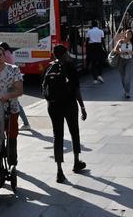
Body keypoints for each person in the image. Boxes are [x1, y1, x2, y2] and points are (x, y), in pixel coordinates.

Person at [42, 44, 87, 183]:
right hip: (69, 104)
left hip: (53, 106)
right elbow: (77, 89)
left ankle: (59, 171)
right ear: (65, 54)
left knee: (58, 135)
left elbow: (44, 88)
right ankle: (76, 162)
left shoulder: (49, 67)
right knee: (74, 131)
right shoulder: (70, 66)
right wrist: (82, 107)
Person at [0, 42, 31, 130]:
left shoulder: (6, 55)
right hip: (12, 81)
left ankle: (25, 123)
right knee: (14, 103)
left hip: (11, 82)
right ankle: (23, 123)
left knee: (15, 104)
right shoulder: (9, 53)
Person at [111, 29, 133, 98]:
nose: (129, 35)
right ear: (125, 34)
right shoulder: (121, 41)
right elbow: (115, 50)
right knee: (123, 77)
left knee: (128, 77)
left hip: (129, 60)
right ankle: (125, 90)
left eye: (130, 34)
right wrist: (121, 52)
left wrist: (130, 52)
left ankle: (127, 92)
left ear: (131, 35)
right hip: (121, 60)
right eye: (127, 34)